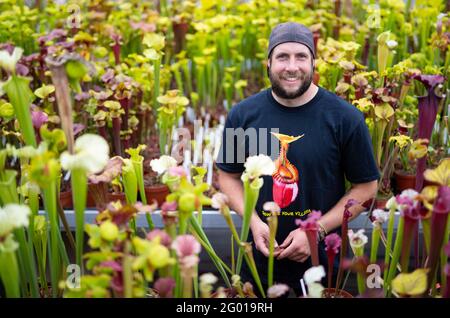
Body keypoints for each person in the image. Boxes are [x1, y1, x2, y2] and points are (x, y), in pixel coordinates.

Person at [215, 22, 380, 296]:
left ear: (314, 62)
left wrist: (316, 231)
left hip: (322, 267)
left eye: (301, 56)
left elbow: (367, 187)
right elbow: (229, 176)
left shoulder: (345, 118)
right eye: (282, 57)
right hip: (257, 265)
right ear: (268, 62)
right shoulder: (243, 116)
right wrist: (254, 222)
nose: (291, 66)